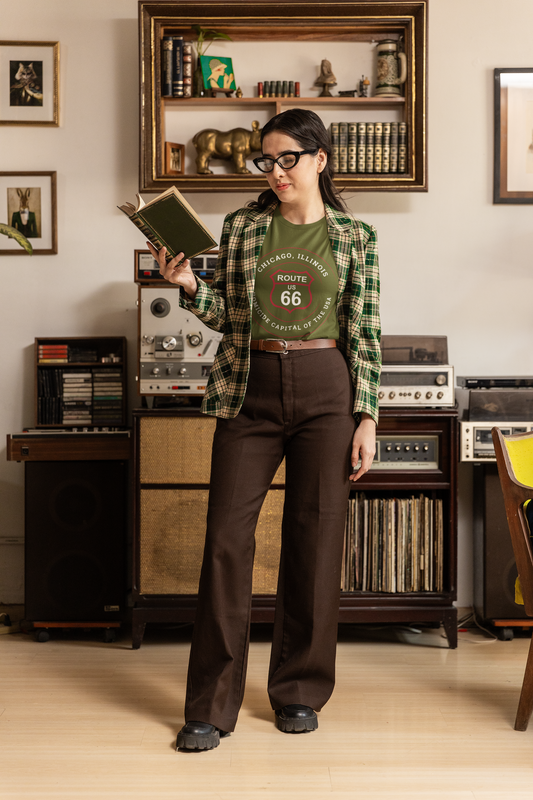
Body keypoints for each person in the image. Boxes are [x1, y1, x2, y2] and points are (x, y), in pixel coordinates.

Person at [147, 108, 381, 751]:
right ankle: (210, 706)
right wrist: (188, 284)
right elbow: (227, 314)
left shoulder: (356, 236)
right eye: (266, 161)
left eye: (288, 159)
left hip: (329, 391)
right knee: (225, 540)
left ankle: (299, 691)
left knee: (315, 540)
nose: (275, 172)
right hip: (251, 389)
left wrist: (367, 416)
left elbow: (364, 330)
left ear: (319, 160)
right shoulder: (243, 227)